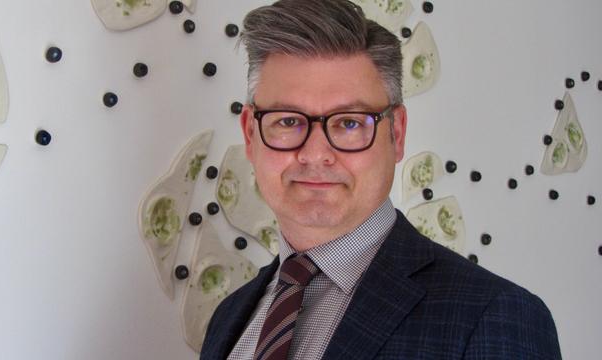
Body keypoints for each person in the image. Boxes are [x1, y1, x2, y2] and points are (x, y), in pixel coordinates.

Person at [200, 0, 561, 359]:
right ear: (250, 133)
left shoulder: (493, 316)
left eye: (350, 123)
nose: (315, 154)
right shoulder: (228, 318)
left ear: (397, 133)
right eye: (288, 121)